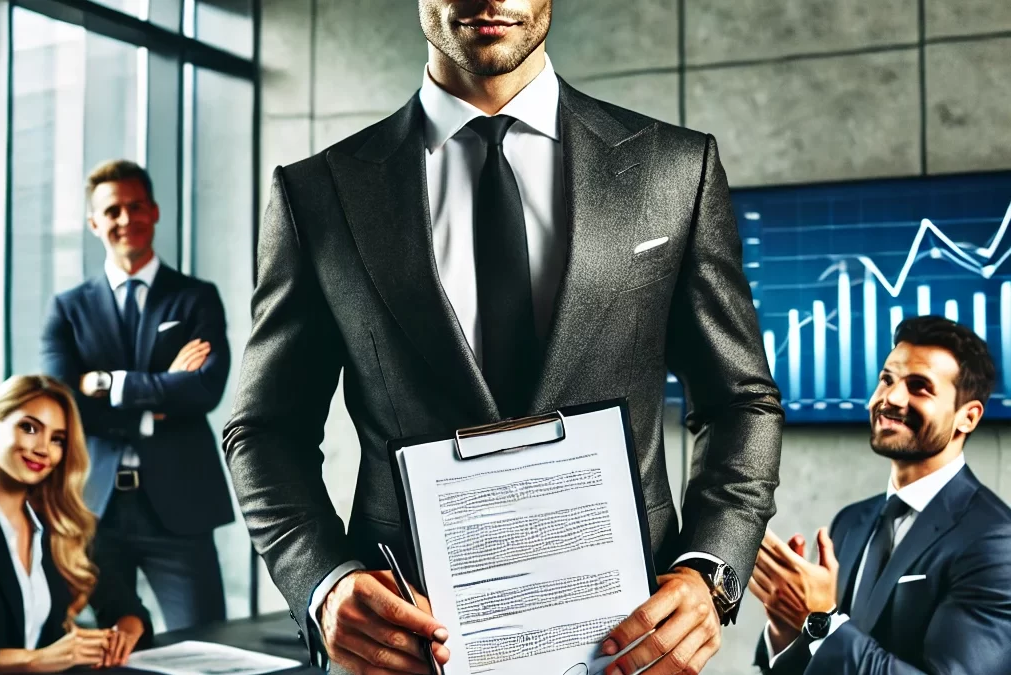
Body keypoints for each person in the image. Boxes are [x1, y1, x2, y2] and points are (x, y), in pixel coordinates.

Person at [224, 1, 784, 673]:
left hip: (629, 642)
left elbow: (739, 401)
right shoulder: (316, 194)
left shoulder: (675, 169)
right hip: (408, 645)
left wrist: (708, 570)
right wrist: (323, 581)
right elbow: (264, 429)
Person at [751, 315, 1011, 675]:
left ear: (967, 417)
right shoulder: (850, 522)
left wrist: (821, 619)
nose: (891, 397)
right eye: (887, 379)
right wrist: (789, 628)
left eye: (919, 387)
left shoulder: (996, 541)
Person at [40, 159, 234, 631]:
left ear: (155, 211)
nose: (126, 219)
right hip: (95, 511)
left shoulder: (196, 297)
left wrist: (109, 383)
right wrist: (159, 400)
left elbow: (206, 388)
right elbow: (66, 408)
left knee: (208, 641)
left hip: (180, 510)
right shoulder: (67, 309)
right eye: (112, 211)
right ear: (94, 223)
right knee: (114, 647)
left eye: (136, 206)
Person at [0, 375, 152, 673]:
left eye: (57, 439)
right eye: (29, 428)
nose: (42, 449)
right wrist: (38, 660)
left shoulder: (61, 525)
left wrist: (124, 634)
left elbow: (126, 608)